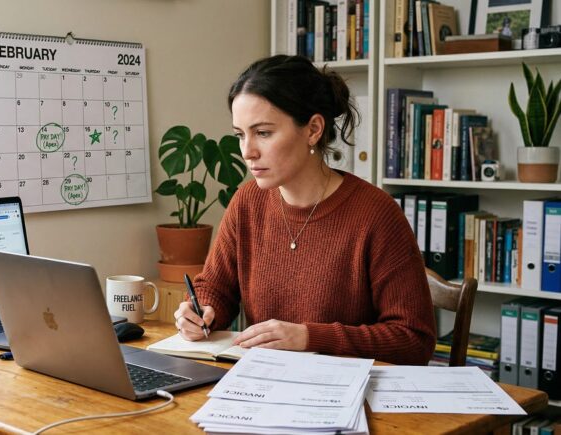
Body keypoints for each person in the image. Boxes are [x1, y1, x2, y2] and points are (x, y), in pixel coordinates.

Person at [173, 55, 436, 365]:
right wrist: (201, 309)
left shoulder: (376, 215)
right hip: (262, 388)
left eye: (263, 133)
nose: (247, 151)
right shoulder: (247, 202)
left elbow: (413, 340)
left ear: (313, 129)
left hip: (346, 398)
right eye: (240, 135)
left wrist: (310, 337)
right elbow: (216, 287)